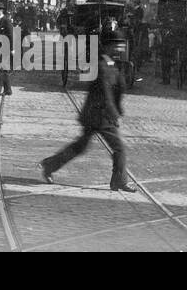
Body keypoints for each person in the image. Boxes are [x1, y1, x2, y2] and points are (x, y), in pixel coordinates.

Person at [40, 51, 136, 192]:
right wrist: (114, 113)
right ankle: (119, 181)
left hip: (97, 115)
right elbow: (106, 94)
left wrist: (118, 105)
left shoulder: (111, 64)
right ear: (110, 46)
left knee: (80, 146)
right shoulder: (101, 66)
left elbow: (119, 86)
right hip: (100, 116)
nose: (119, 48)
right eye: (116, 45)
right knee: (119, 148)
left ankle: (50, 165)